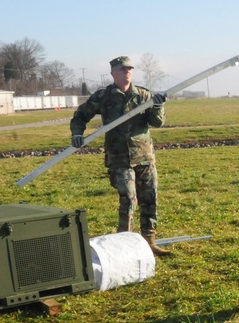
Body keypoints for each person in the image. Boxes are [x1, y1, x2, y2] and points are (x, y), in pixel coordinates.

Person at [70, 55, 171, 257]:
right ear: (113, 72)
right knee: (129, 199)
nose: (127, 72)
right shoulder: (103, 96)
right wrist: (77, 134)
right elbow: (80, 115)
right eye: (123, 69)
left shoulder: (143, 95)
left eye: (129, 69)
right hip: (119, 158)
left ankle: (149, 241)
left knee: (149, 199)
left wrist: (158, 106)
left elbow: (157, 123)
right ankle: (124, 245)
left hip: (144, 156)